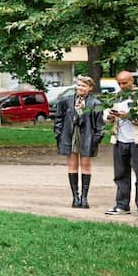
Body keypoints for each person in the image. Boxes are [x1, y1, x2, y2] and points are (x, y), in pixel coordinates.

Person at [103, 71, 138, 218]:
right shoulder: (115, 96)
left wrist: (128, 116)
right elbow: (105, 115)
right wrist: (109, 116)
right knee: (120, 175)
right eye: (119, 83)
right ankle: (122, 205)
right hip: (119, 140)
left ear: (132, 81)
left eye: (124, 83)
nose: (122, 86)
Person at [53, 76, 105, 208]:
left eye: (84, 86)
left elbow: (100, 126)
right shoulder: (65, 101)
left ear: (90, 88)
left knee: (86, 166)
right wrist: (59, 136)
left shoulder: (95, 103)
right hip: (70, 135)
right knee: (72, 166)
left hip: (87, 136)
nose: (80, 88)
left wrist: (95, 140)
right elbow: (58, 120)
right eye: (79, 85)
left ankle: (84, 197)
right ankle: (75, 197)